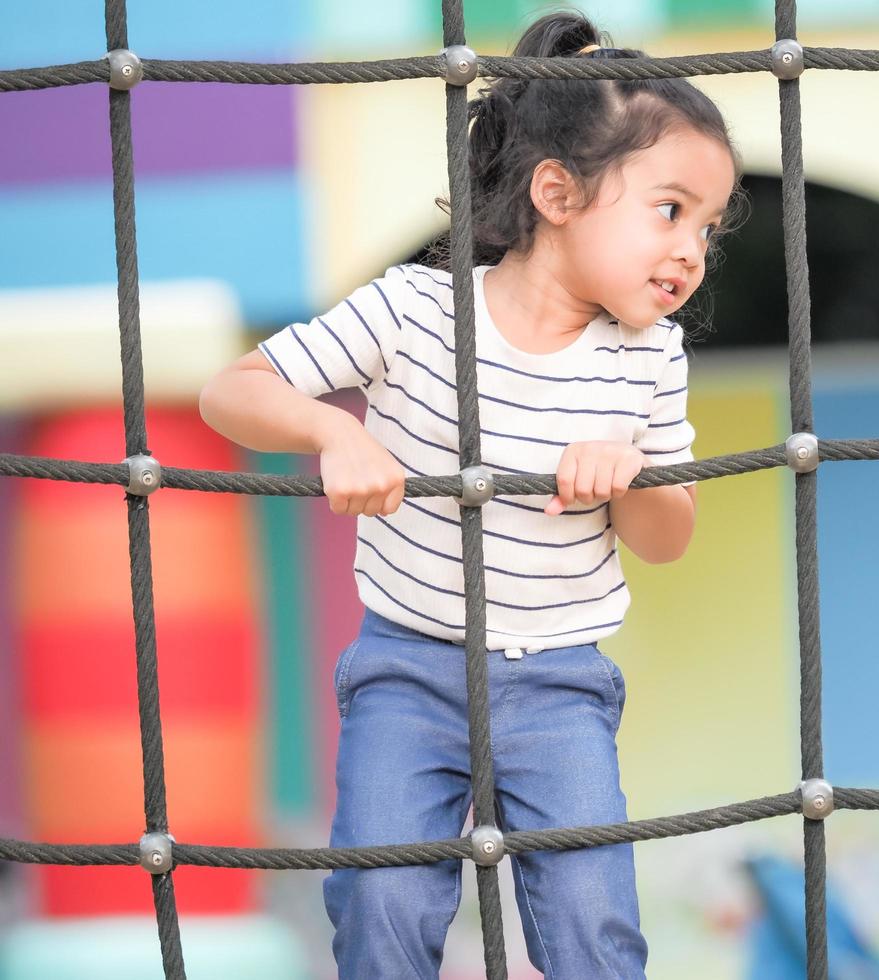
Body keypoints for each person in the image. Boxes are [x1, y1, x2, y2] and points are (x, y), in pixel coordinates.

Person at [198, 11, 741, 978]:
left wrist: (633, 478)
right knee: (383, 895)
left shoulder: (649, 357)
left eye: (707, 226)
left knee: (590, 917)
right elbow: (230, 391)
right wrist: (335, 429)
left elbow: (667, 539)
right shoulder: (416, 308)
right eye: (669, 210)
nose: (691, 248)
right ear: (557, 192)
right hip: (409, 668)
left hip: (558, 683)